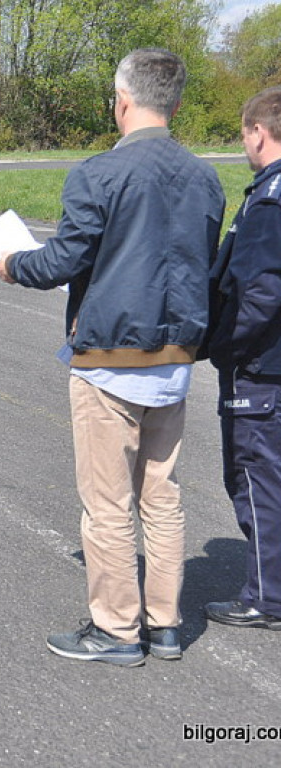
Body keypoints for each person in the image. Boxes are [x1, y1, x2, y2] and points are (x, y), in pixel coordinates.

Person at [0, 48, 225, 665]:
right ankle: (166, 623)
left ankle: (118, 630)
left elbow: (64, 261)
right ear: (173, 103)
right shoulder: (205, 177)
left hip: (110, 360)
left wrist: (13, 264)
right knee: (162, 495)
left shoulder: (99, 172)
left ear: (122, 100)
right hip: (175, 360)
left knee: (108, 504)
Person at [204, 86, 281, 632]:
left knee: (255, 479)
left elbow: (259, 290)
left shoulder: (271, 198)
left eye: (244, 134)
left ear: (258, 131)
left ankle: (267, 597)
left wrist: (226, 349)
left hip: (262, 369)